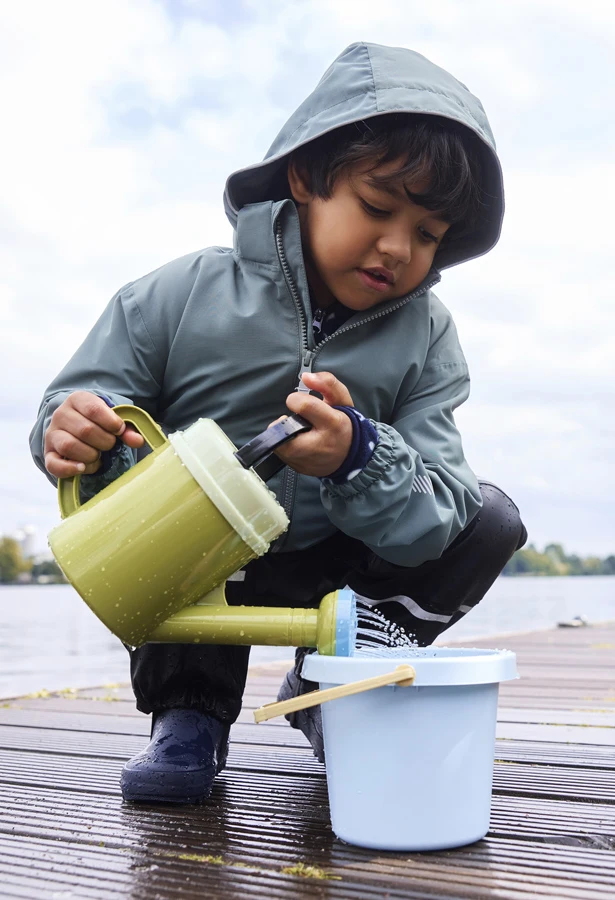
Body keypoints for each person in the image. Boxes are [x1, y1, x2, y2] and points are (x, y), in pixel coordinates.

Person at [30, 42, 526, 804]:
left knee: (491, 519)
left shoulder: (428, 335)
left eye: (428, 234)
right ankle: (188, 714)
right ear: (306, 179)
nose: (398, 248)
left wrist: (359, 458)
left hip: (340, 558)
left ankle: (334, 676)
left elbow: (440, 514)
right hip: (204, 559)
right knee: (169, 534)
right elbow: (81, 402)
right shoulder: (177, 293)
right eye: (377, 207)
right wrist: (71, 433)